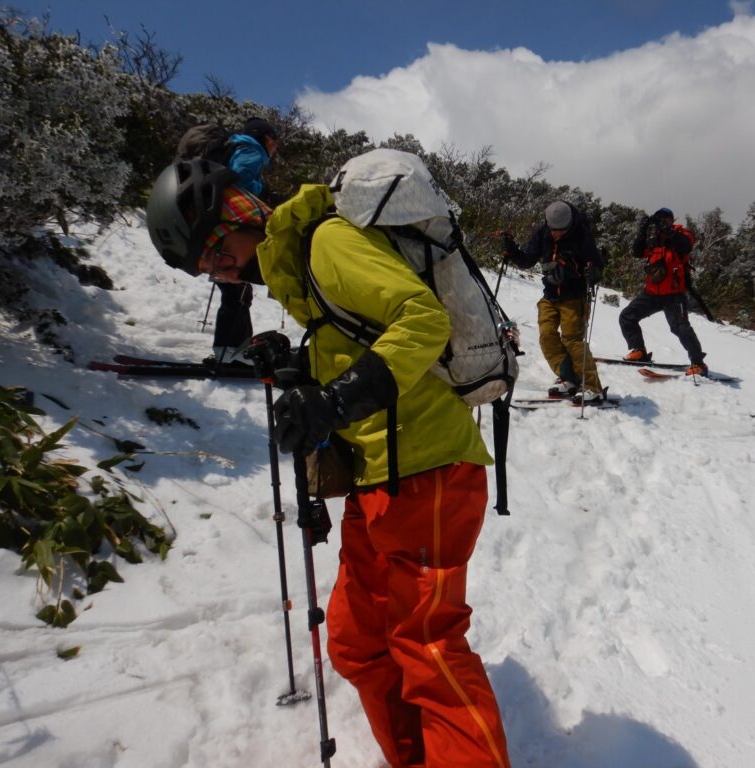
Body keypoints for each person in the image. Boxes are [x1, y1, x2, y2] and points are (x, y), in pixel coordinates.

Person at [146, 157, 511, 768]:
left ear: (235, 217)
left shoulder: (327, 243)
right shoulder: (297, 265)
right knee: (354, 639)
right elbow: (358, 335)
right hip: (379, 477)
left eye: (212, 251)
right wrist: (299, 365)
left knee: (428, 647)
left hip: (430, 472)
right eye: (202, 266)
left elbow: (421, 321)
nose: (214, 270)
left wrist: (335, 400)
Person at [502, 200, 605, 403]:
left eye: (562, 230)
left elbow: (597, 265)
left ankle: (593, 387)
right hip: (550, 295)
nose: (557, 234)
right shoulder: (543, 233)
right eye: (554, 230)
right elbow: (527, 260)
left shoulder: (581, 234)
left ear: (569, 225)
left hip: (574, 296)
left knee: (572, 341)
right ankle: (569, 378)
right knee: (547, 336)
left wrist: (593, 272)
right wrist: (511, 249)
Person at [211, 117, 278, 366]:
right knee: (237, 291)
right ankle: (231, 351)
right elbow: (239, 182)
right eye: (274, 139)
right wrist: (257, 190)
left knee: (236, 290)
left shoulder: (236, 146)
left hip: (219, 229)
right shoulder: (252, 150)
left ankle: (230, 349)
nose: (275, 146)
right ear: (265, 137)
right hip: (231, 228)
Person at [618, 207, 708, 376]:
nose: (661, 224)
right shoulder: (654, 240)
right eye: (659, 220)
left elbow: (685, 246)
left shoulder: (682, 233)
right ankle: (639, 352)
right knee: (627, 316)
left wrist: (668, 230)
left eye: (665, 220)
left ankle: (698, 364)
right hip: (652, 292)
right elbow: (637, 252)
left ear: (671, 220)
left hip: (674, 294)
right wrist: (643, 229)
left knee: (680, 328)